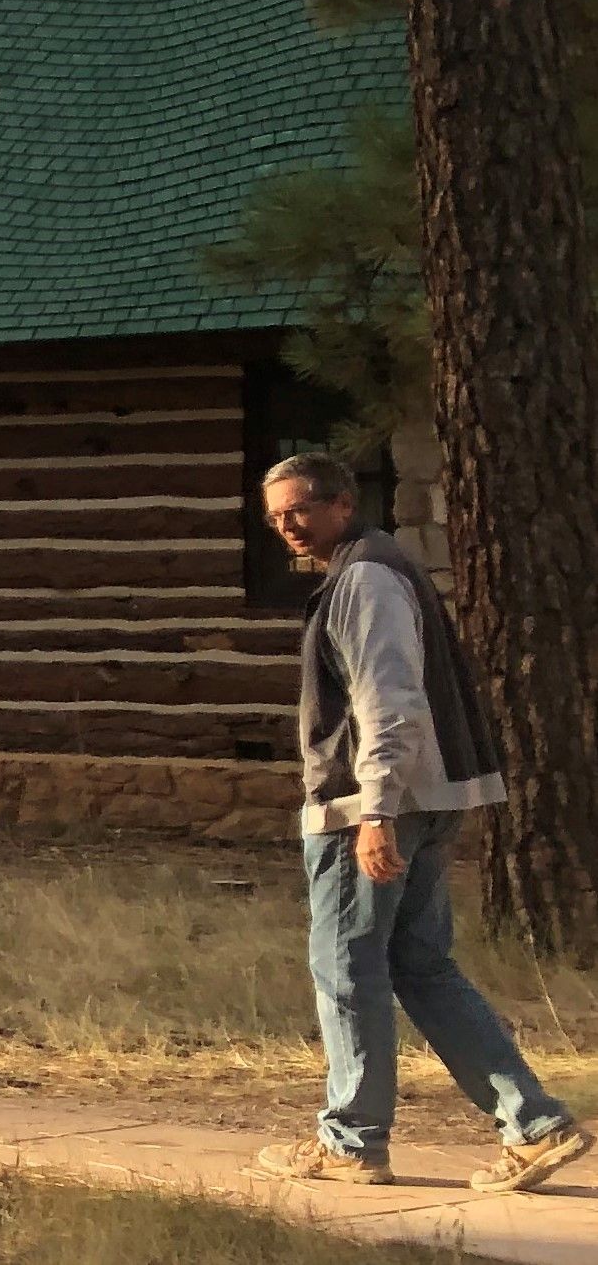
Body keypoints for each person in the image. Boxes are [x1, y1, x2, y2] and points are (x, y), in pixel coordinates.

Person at [248, 451, 586, 1193]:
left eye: (298, 509)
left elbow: (389, 699)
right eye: (274, 516)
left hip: (374, 808)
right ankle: (532, 1125)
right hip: (420, 800)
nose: (286, 527)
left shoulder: (364, 576)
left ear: (341, 501)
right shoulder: (375, 567)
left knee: (345, 969)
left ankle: (350, 1142)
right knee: (419, 965)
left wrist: (373, 812)